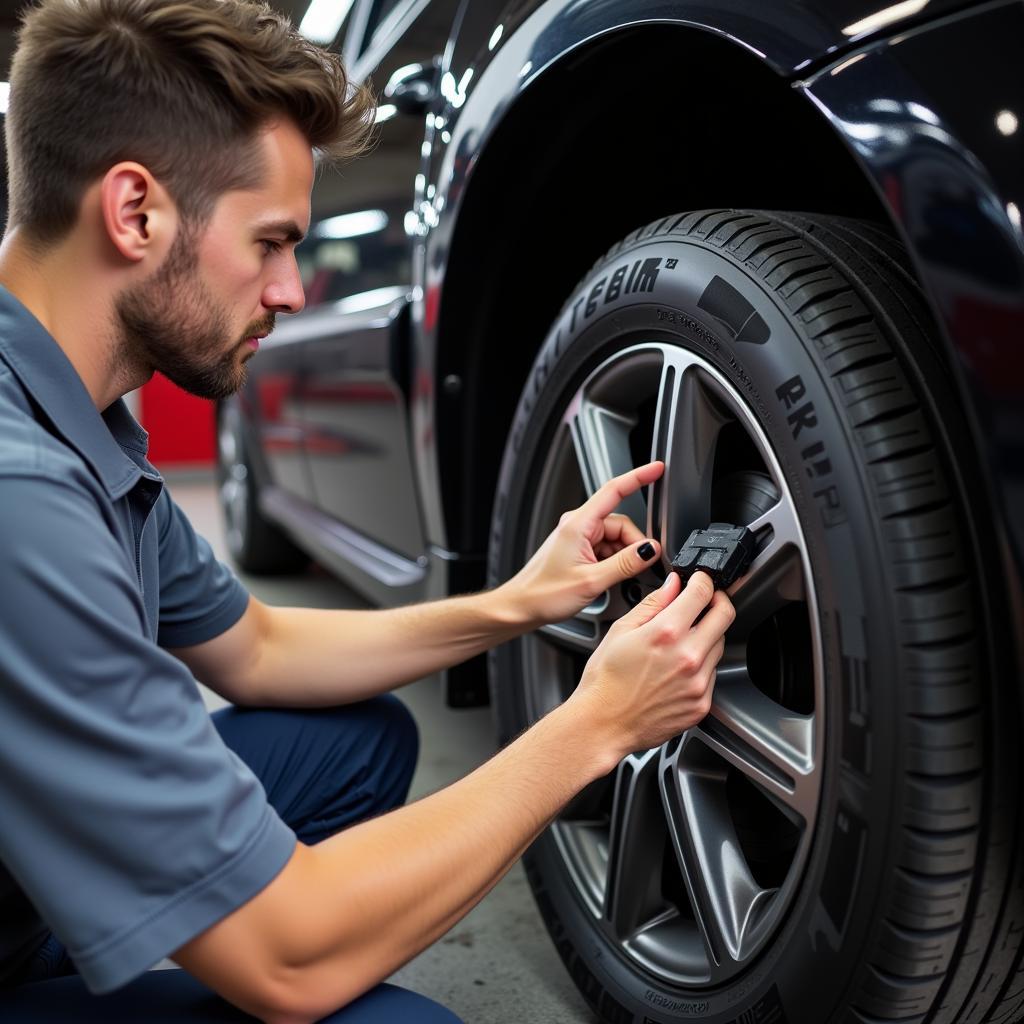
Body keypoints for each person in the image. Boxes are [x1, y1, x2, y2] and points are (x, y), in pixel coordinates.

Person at [0, 0, 735, 1020]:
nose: (295, 290)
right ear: (134, 213)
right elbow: (285, 964)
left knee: (363, 740)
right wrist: (597, 723)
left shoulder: (70, 410)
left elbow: (254, 646)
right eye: (270, 243)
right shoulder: (23, 496)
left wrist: (516, 603)